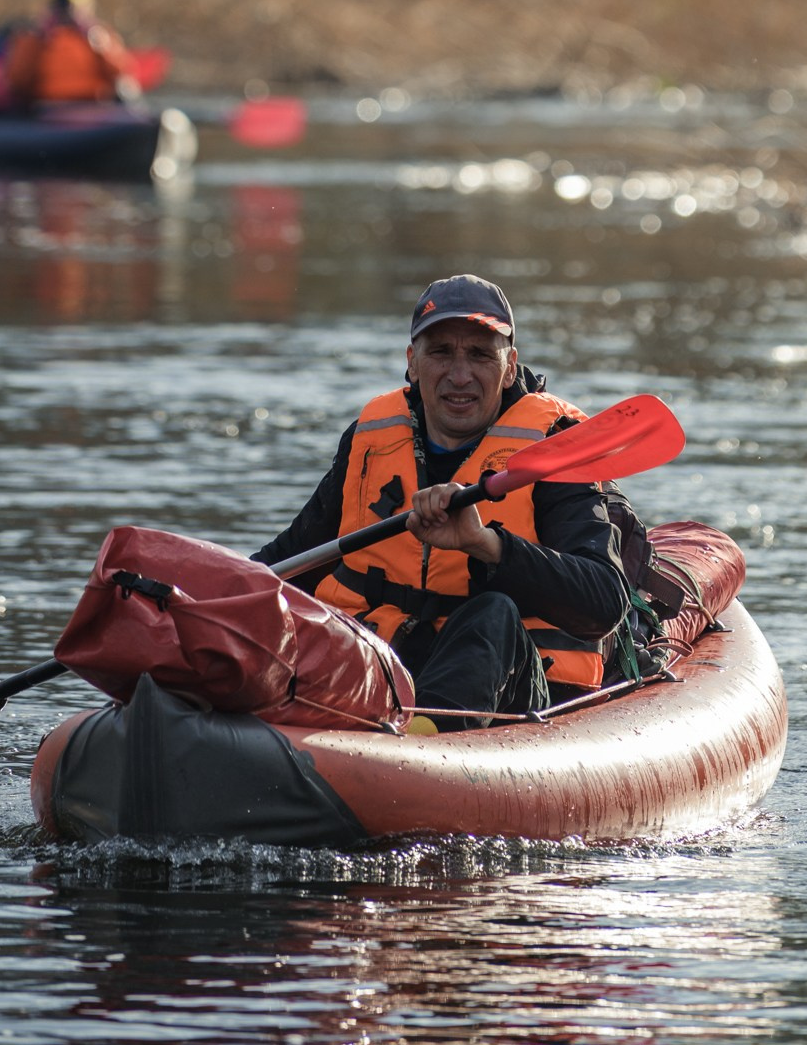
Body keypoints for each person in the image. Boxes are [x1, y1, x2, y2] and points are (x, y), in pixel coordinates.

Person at [254, 275, 634, 723]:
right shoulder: (370, 439)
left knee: (493, 612)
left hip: (515, 686)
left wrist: (485, 545)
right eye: (441, 352)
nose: (460, 375)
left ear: (510, 366)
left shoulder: (555, 449)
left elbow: (604, 602)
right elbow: (291, 560)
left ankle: (423, 741)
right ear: (413, 363)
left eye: (479, 354)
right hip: (386, 664)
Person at [3, 0, 142, 108]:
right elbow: (16, 82)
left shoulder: (100, 34)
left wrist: (95, 40)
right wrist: (38, 40)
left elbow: (123, 74)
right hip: (47, 112)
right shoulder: (32, 37)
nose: (65, 5)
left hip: (95, 109)